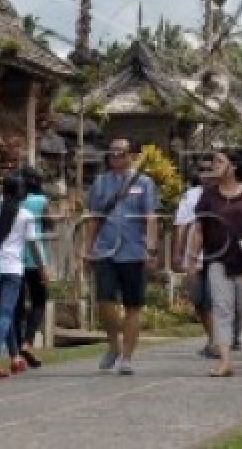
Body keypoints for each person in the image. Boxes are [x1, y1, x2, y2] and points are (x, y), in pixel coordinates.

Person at [188, 149, 242, 377]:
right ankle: (225, 361)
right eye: (213, 161)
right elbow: (199, 228)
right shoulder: (208, 196)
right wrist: (193, 259)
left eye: (219, 161)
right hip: (217, 259)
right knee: (222, 310)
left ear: (233, 166)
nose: (214, 164)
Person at [84, 137, 159, 376]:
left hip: (133, 250)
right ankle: (113, 344)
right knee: (104, 301)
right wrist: (88, 248)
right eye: (112, 152)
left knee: (133, 305)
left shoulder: (145, 183)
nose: (116, 156)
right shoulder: (100, 182)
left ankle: (127, 356)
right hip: (105, 248)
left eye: (121, 152)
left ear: (132, 155)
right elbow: (94, 216)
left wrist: (151, 248)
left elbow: (150, 216)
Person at [0, 173, 48, 379]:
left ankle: (16, 357)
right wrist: (42, 269)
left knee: (4, 312)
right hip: (12, 269)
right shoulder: (25, 215)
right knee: (6, 315)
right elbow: (33, 245)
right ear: (21, 194)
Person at [172, 172, 217, 358]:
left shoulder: (227, 193)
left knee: (215, 298)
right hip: (194, 254)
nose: (207, 175)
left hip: (218, 252)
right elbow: (182, 225)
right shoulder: (190, 196)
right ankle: (213, 337)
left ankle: (218, 341)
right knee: (198, 299)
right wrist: (178, 252)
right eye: (203, 170)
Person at [11, 165, 50, 367]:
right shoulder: (42, 201)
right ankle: (28, 342)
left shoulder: (13, 202)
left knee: (16, 305)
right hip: (36, 258)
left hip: (16, 257)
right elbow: (49, 222)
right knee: (39, 301)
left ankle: (17, 349)